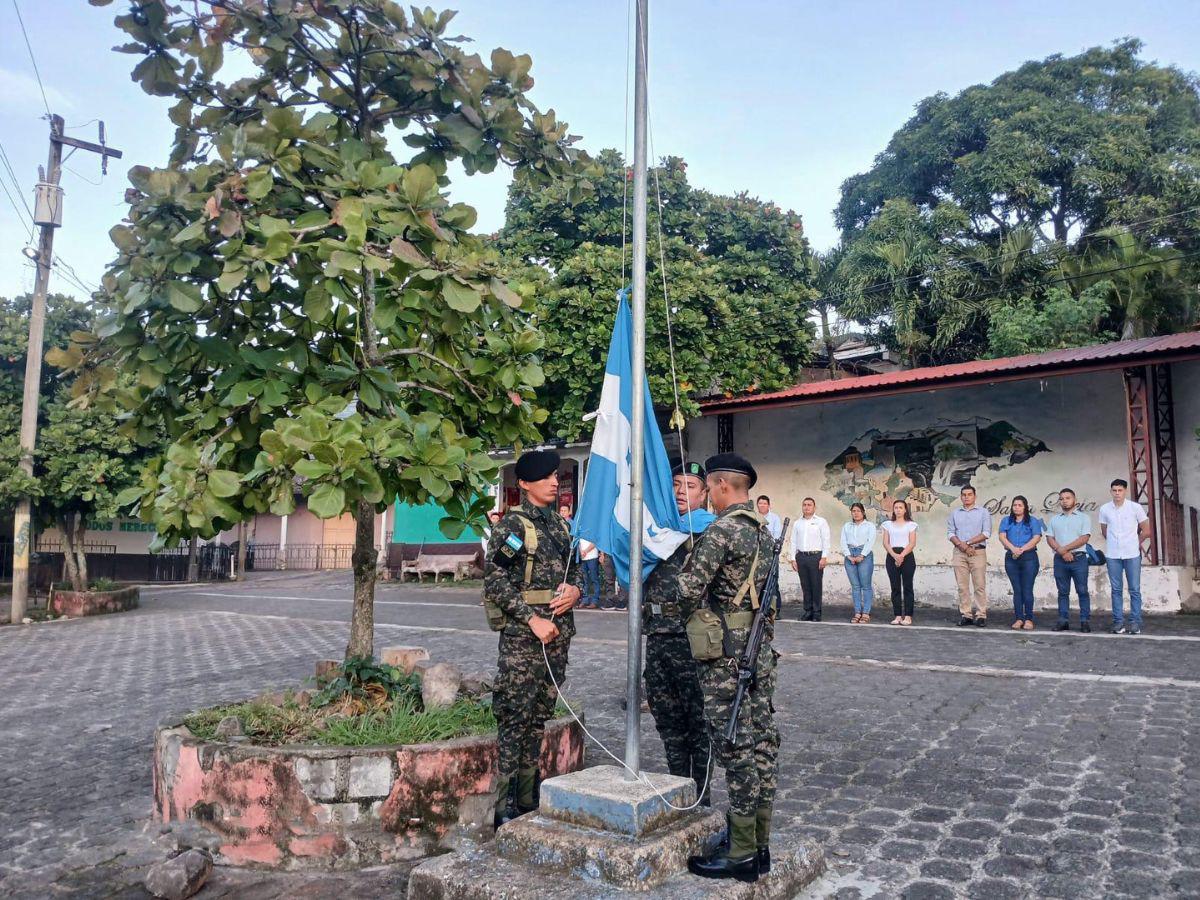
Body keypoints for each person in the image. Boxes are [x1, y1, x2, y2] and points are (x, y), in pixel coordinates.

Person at [679, 453, 777, 883]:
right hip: (759, 655)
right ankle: (758, 845)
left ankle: (739, 854)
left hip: (724, 660)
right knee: (761, 745)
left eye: (708, 487)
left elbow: (687, 590)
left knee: (735, 747)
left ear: (719, 486)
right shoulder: (764, 532)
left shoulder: (720, 532)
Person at [482, 450, 582, 829]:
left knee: (539, 715)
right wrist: (531, 619)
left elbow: (578, 575)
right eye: (545, 477)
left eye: (555, 476)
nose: (554, 482)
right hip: (525, 639)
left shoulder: (561, 526)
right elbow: (494, 579)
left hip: (558, 635)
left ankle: (528, 795)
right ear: (524, 484)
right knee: (515, 716)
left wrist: (576, 591)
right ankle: (505, 804)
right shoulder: (513, 526)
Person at [643, 461, 718, 805]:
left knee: (699, 720)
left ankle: (700, 796)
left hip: (694, 638)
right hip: (658, 635)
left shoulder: (711, 533)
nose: (679, 492)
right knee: (667, 716)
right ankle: (677, 788)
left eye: (689, 486)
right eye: (675, 484)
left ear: (705, 493)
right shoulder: (655, 533)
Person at [1099, 478, 1150, 635]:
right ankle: (1118, 622)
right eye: (1114, 490)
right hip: (1113, 555)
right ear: (1110, 491)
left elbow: (1146, 530)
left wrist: (1134, 542)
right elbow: (1104, 531)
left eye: (1120, 490)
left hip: (1132, 554)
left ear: (1125, 491)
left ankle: (1135, 622)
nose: (1117, 493)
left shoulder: (1135, 508)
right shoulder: (1105, 509)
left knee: (1134, 589)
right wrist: (1115, 543)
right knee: (1116, 589)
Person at [1045, 488, 1093, 632]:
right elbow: (1049, 537)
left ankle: (1085, 621)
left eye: (1068, 498)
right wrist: (1062, 552)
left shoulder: (1084, 518)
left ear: (1074, 500)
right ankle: (1063, 620)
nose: (1064, 501)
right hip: (1060, 560)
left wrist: (1064, 549)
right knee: (1063, 592)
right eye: (1062, 498)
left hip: (1079, 559)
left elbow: (1084, 538)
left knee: (1082, 590)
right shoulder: (1054, 519)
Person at [947, 485, 991, 627]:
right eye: (964, 495)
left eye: (969, 494)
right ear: (961, 497)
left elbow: (986, 533)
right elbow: (950, 533)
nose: (966, 497)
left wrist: (968, 543)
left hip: (977, 552)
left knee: (979, 585)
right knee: (962, 586)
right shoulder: (955, 513)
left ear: (975, 496)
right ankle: (966, 614)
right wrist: (963, 546)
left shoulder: (983, 512)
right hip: (959, 553)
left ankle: (980, 615)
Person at [998, 495, 1043, 630]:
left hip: (1029, 558)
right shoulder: (1007, 521)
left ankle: (1028, 619)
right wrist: (1013, 549)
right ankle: (1019, 618)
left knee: (1027, 589)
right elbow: (1002, 536)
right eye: (1014, 505)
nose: (1017, 507)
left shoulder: (1032, 521)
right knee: (1017, 590)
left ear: (1025, 507)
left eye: (1020, 505)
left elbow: (1036, 537)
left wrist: (1022, 549)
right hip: (1012, 558)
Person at [788, 497, 830, 621]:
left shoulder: (821, 522)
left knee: (816, 585)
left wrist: (824, 557)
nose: (806, 507)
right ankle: (808, 611)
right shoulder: (797, 523)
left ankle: (817, 612)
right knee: (805, 585)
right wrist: (792, 559)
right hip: (801, 557)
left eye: (809, 505)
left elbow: (826, 540)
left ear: (814, 507)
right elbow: (793, 541)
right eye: (804, 505)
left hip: (816, 556)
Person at [882, 500, 918, 626]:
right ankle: (897, 615)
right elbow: (886, 543)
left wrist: (901, 556)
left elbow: (912, 543)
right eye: (896, 507)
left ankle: (908, 616)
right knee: (895, 587)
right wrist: (894, 555)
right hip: (892, 555)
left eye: (900, 507)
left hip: (907, 556)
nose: (898, 510)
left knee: (908, 587)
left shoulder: (911, 525)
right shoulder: (887, 524)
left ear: (905, 510)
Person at [841, 502, 877, 623]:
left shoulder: (869, 526)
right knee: (855, 586)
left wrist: (862, 555)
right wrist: (848, 556)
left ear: (863, 512)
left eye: (858, 511)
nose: (855, 513)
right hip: (850, 555)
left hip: (864, 555)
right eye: (853, 511)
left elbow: (870, 541)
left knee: (865, 586)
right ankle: (857, 612)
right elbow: (843, 541)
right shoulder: (847, 526)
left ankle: (866, 613)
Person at [577, 539, 601, 609]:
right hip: (583, 557)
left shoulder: (593, 529)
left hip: (592, 556)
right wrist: (581, 551)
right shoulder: (580, 529)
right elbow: (579, 542)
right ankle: (585, 599)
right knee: (585, 580)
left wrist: (585, 551)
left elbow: (595, 541)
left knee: (594, 579)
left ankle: (595, 601)